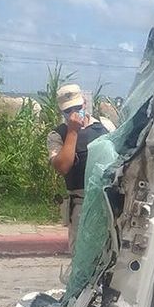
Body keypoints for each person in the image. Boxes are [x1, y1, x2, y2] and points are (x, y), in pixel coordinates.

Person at [47, 84, 109, 249]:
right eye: (68, 111)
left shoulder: (105, 126)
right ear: (62, 112)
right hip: (81, 204)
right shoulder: (57, 135)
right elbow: (63, 167)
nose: (74, 114)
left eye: (77, 108)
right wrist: (73, 132)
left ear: (84, 105)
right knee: (83, 256)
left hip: (107, 201)